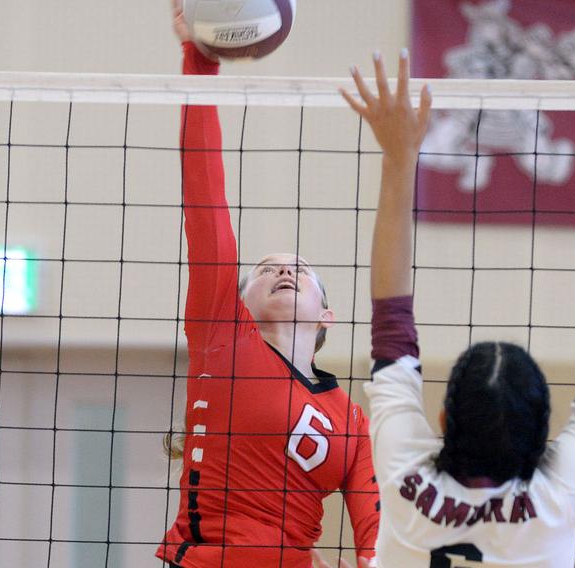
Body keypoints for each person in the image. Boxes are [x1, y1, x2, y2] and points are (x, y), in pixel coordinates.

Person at [341, 54, 575, 566]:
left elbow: (391, 323)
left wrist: (398, 158)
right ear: (542, 434)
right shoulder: (556, 497)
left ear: (443, 417)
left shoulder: (402, 471)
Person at [156, 4, 379, 567]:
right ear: (241, 300)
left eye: (301, 270)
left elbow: (374, 531)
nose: (283, 271)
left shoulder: (351, 418)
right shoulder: (223, 338)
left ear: (327, 316)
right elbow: (204, 198)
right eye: (264, 269)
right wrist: (197, 62)